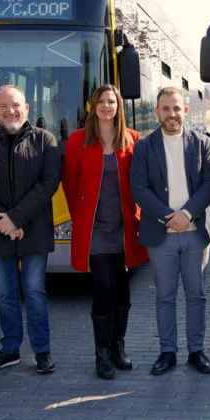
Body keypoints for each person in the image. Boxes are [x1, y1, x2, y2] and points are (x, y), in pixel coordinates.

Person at [0, 85, 61, 374]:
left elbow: (48, 184)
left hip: (34, 230)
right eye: (3, 106)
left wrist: (16, 219)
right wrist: (2, 221)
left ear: (27, 108)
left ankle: (42, 351)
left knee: (34, 292)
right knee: (5, 293)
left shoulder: (46, 140)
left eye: (16, 105)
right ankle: (10, 350)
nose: (10, 111)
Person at [61, 84, 148, 380]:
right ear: (92, 106)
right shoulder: (76, 142)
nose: (106, 106)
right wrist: (83, 216)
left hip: (126, 230)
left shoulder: (133, 140)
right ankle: (101, 354)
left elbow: (140, 183)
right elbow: (70, 185)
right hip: (96, 230)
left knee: (123, 293)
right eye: (101, 102)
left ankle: (118, 349)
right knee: (103, 289)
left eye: (111, 102)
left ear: (118, 106)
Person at [130, 87, 210, 376]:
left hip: (195, 233)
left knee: (197, 294)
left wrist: (187, 214)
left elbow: (209, 185)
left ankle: (197, 351)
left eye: (177, 108)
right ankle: (167, 352)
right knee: (165, 295)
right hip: (161, 234)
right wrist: (169, 216)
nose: (172, 114)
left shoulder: (202, 143)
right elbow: (139, 188)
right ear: (157, 112)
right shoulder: (144, 146)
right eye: (166, 109)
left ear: (186, 110)